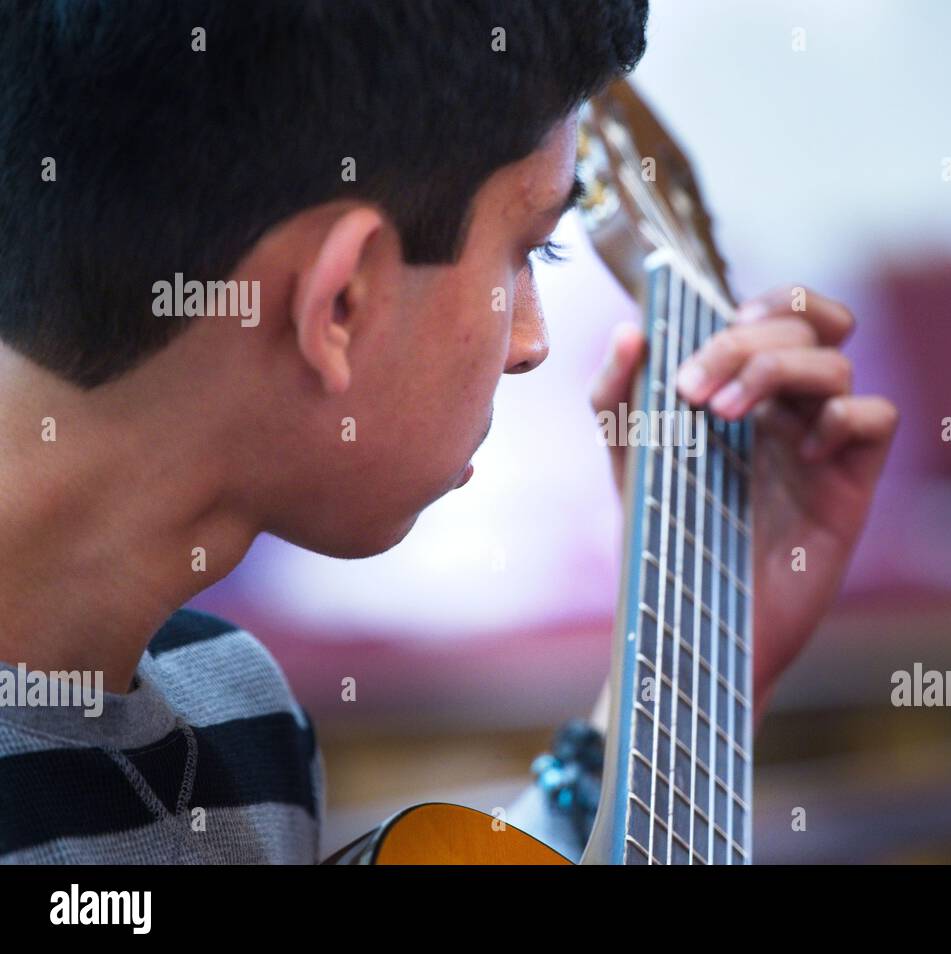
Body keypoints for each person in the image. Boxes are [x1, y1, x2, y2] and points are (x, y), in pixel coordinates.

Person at [0, 0, 897, 863]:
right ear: (341, 301)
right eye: (531, 250)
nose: (533, 343)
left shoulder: (239, 715)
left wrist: (698, 654)